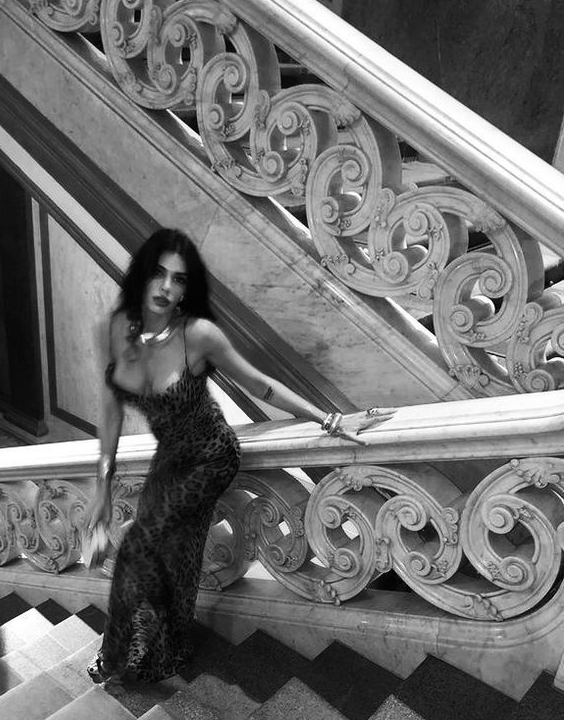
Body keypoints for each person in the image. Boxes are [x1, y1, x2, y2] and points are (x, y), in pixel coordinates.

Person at [86, 228, 392, 685]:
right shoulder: (113, 332)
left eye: (180, 280)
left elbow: (260, 384)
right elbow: (110, 410)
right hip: (169, 459)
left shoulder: (198, 335)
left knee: (135, 547)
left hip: (211, 455)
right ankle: (168, 651)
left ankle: (114, 656)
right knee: (178, 552)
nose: (167, 288)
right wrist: (103, 487)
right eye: (159, 274)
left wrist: (327, 419)